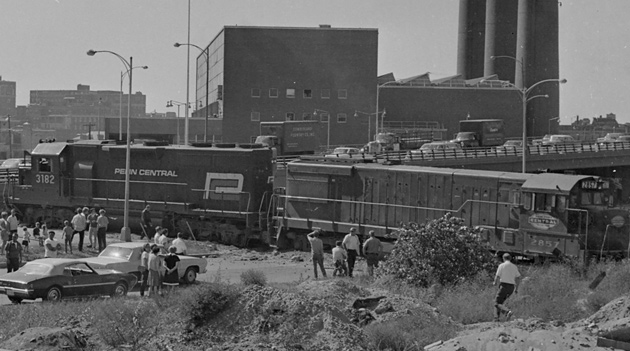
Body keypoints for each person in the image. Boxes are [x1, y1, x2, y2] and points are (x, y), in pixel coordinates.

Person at [493, 253, 521, 322]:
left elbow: (497, 276)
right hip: (511, 287)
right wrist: (516, 288)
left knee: (496, 303)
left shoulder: (501, 265)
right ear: (510, 258)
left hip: (504, 286)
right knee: (500, 303)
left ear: (503, 258)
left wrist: (495, 282)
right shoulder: (514, 266)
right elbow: (518, 277)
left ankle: (507, 312)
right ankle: (496, 319)